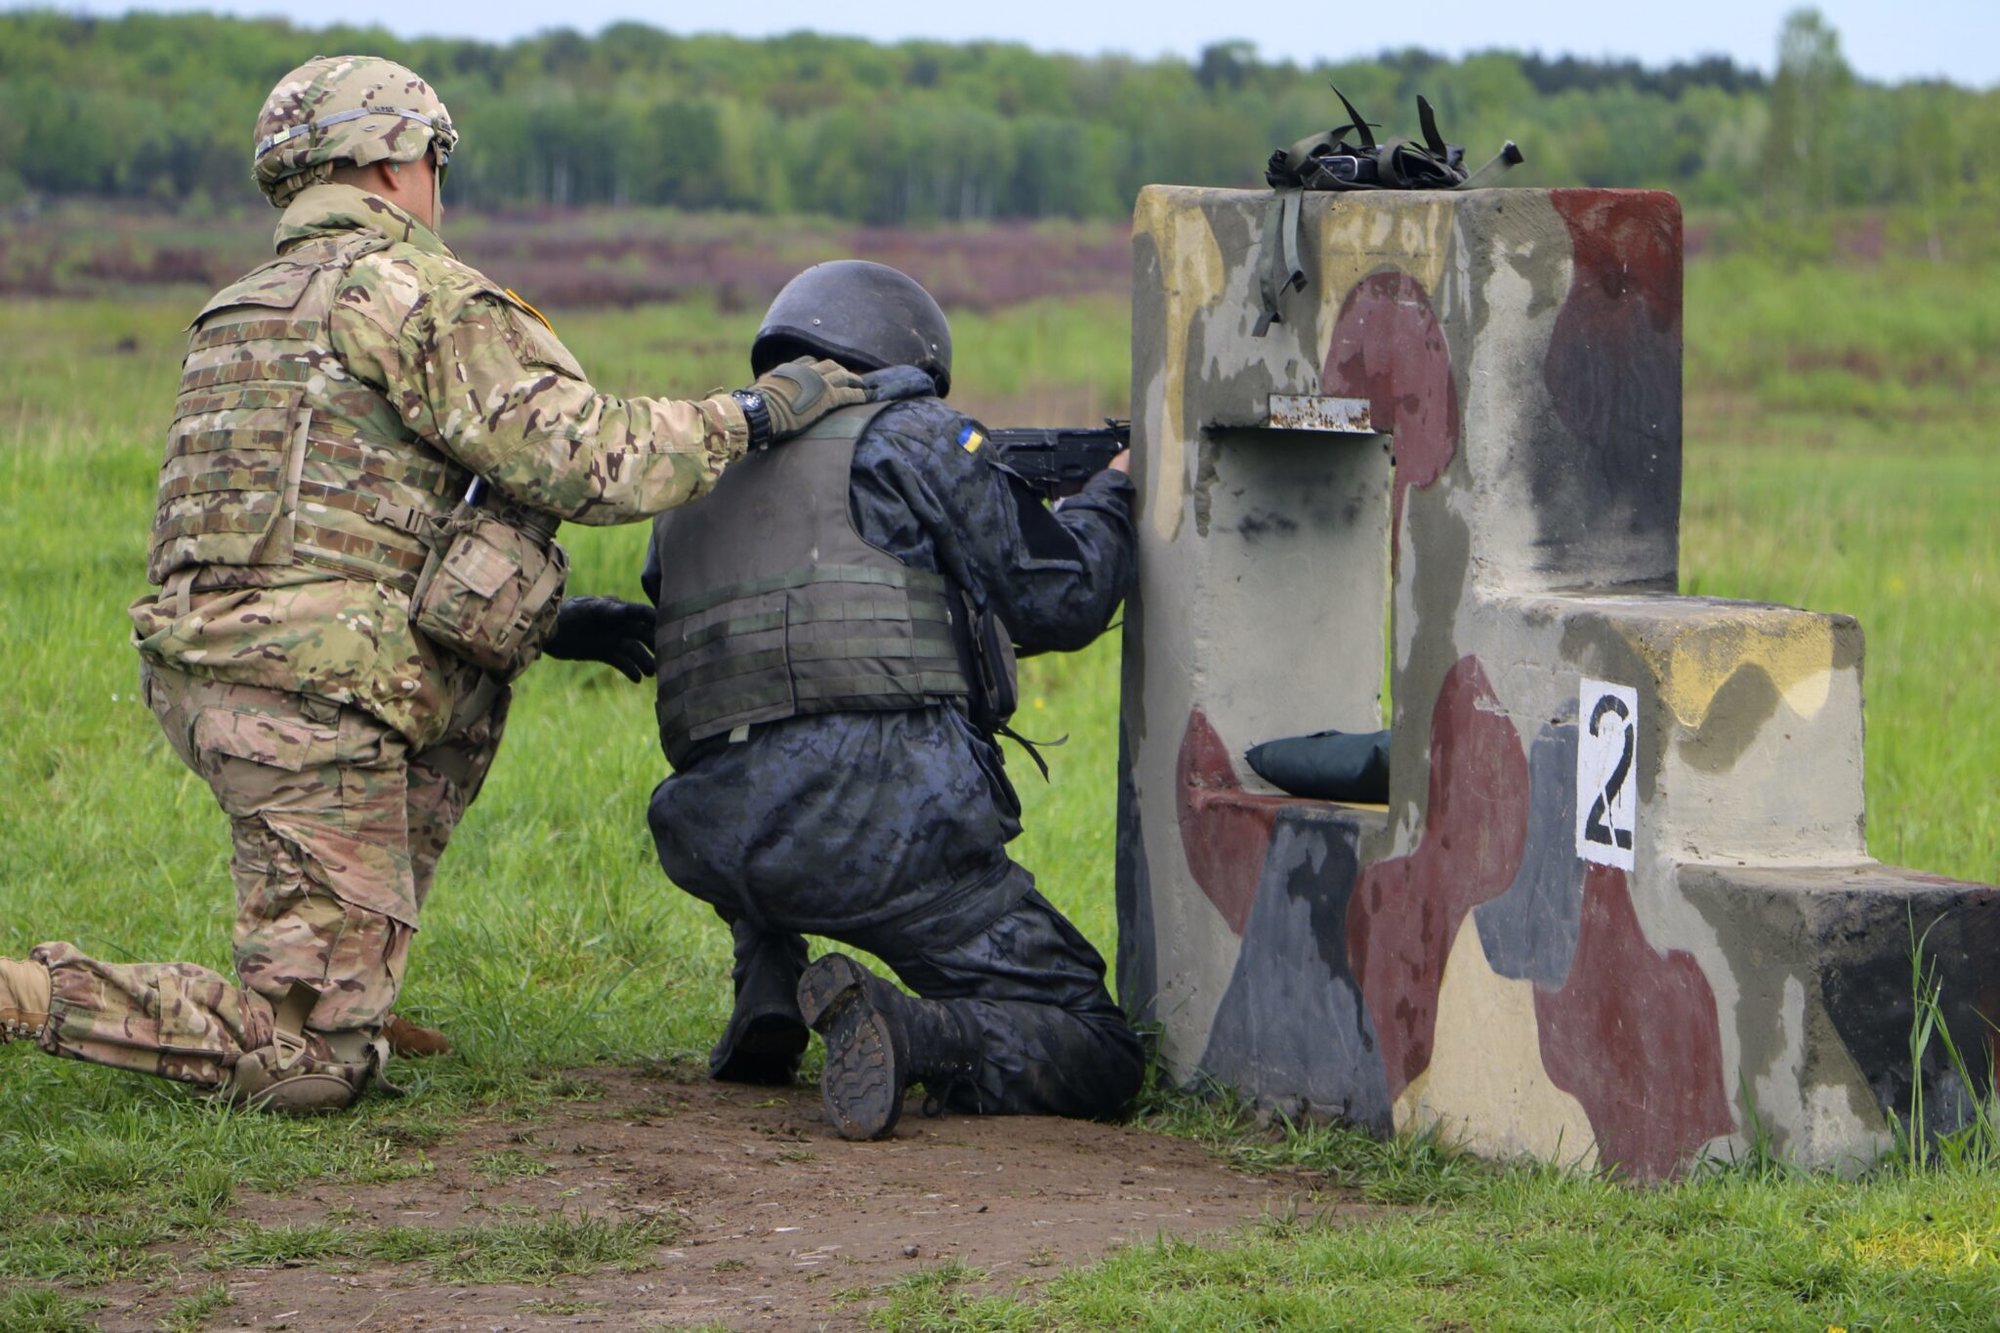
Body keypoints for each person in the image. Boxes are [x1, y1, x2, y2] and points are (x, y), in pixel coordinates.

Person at [0, 56, 921, 1110]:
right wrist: (759, 413)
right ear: (398, 162)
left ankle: (347, 971)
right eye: (436, 161)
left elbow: (318, 524)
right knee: (305, 1071)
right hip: (318, 695)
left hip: (227, 673)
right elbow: (584, 457)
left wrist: (548, 622)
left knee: (458, 700)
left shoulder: (241, 308)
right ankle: (55, 998)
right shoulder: (413, 293)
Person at [643, 260, 1145, 1140]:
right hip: (882, 829)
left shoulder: (693, 473)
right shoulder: (913, 435)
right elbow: (1064, 598)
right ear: (899, 357)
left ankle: (766, 980)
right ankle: (908, 1027)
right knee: (1096, 1044)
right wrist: (1113, 493)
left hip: (717, 836)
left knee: (765, 740)